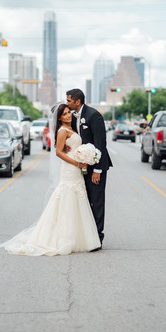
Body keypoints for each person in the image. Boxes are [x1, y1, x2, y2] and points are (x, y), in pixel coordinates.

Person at [0, 103, 101, 256]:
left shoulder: (72, 128)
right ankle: (63, 237)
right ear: (58, 118)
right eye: (64, 114)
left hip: (77, 168)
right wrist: (77, 163)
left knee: (77, 198)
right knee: (67, 196)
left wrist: (85, 156)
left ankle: (78, 236)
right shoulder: (62, 131)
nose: (68, 115)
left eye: (68, 112)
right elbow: (59, 152)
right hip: (70, 167)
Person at [66, 88, 112, 250]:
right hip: (81, 165)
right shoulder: (72, 116)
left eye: (69, 100)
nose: (67, 103)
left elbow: (100, 144)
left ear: (78, 101)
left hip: (96, 165)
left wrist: (97, 170)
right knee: (84, 201)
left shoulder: (94, 116)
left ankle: (97, 238)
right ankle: (86, 235)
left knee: (97, 201)